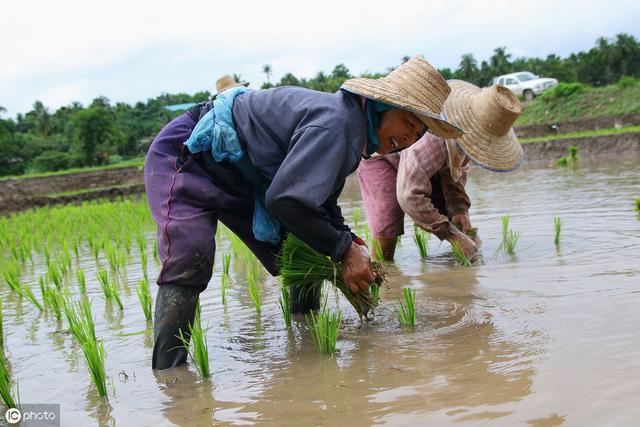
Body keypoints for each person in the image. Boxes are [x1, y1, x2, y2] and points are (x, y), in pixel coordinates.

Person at [144, 55, 463, 370]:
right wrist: (343, 250)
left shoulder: (350, 132)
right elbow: (286, 200)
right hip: (189, 153)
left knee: (302, 246)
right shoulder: (338, 124)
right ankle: (171, 376)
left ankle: (306, 339)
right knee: (191, 253)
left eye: (419, 133)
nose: (409, 139)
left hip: (238, 172)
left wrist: (347, 240)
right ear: (382, 105)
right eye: (408, 123)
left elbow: (319, 202)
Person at [357, 80, 524, 261]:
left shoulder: (465, 142)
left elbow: (454, 174)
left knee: (456, 218)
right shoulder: (432, 142)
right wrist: (452, 236)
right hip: (381, 155)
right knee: (388, 223)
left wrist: (460, 210)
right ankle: (383, 275)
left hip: (419, 164)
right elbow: (409, 196)